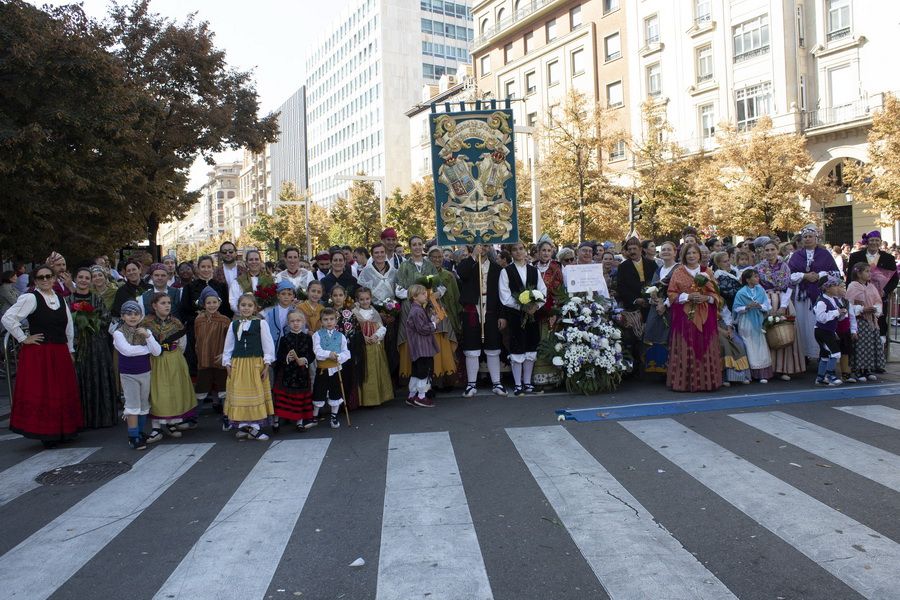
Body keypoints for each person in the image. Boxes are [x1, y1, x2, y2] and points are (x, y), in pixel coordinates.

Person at [2, 265, 82, 447]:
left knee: (61, 390)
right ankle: (48, 433)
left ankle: (64, 430)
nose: (45, 280)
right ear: (35, 280)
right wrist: (23, 338)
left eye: (48, 276)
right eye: (40, 277)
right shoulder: (30, 298)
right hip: (40, 354)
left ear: (54, 278)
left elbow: (68, 328)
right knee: (45, 391)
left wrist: (70, 350)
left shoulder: (60, 299)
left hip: (59, 351)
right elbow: (8, 318)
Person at [666, 243, 723, 392]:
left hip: (705, 315)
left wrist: (706, 298)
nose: (691, 256)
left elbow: (716, 295)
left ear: (699, 255)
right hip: (685, 317)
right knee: (687, 346)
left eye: (694, 253)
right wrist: (688, 296)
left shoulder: (707, 272)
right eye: (688, 253)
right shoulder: (678, 272)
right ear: (684, 256)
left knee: (705, 345)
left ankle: (707, 382)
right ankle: (684, 382)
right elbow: (671, 294)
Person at [68, 267, 119, 428]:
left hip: (97, 344)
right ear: (76, 279)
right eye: (81, 277)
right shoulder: (67, 300)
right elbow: (65, 323)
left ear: (90, 281)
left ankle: (102, 418)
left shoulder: (96, 298)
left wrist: (91, 321)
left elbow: (106, 319)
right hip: (78, 344)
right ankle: (81, 419)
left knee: (99, 376)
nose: (84, 280)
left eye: (87, 278)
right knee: (80, 379)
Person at [143, 292, 197, 440]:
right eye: (163, 303)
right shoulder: (146, 323)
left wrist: (174, 355)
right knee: (158, 392)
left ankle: (172, 423)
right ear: (154, 306)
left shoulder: (175, 323)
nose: (167, 305)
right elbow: (143, 343)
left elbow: (182, 343)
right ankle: (156, 428)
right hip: (156, 360)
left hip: (173, 358)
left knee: (174, 390)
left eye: (168, 303)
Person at [222, 293, 275, 440]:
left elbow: (267, 345)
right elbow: (228, 346)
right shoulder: (234, 325)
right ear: (238, 307)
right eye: (243, 305)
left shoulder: (261, 323)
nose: (246, 308)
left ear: (255, 308)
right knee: (241, 395)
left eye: (249, 305)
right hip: (238, 364)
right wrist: (227, 363)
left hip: (254, 363)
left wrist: (266, 364)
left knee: (254, 394)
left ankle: (255, 427)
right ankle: (244, 425)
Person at [456, 243, 507, 397]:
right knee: (471, 348)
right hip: (472, 309)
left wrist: (502, 315)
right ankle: (471, 384)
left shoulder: (497, 269)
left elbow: (503, 294)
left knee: (493, 346)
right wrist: (473, 257)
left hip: (491, 309)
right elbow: (462, 274)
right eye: (479, 246)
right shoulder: (467, 264)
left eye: (485, 246)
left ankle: (496, 382)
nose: (482, 249)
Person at [499, 241, 548, 396]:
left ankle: (528, 382)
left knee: (530, 347)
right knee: (517, 347)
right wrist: (521, 306)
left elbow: (542, 291)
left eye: (521, 249)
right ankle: (518, 384)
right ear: (511, 253)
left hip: (532, 315)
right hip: (515, 315)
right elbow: (505, 295)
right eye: (515, 250)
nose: (519, 252)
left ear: (526, 251)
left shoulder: (534, 271)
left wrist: (536, 306)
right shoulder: (506, 271)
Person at [112, 300, 161, 449]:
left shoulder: (145, 331)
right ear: (122, 316)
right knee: (133, 405)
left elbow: (157, 351)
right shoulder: (118, 333)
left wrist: (148, 337)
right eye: (128, 314)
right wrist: (146, 349)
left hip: (145, 372)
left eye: (136, 314)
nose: (132, 317)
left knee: (144, 405)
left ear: (140, 316)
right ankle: (133, 436)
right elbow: (128, 351)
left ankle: (139, 432)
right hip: (129, 374)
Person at [788, 225, 842, 361]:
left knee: (818, 322)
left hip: (820, 296)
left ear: (816, 238)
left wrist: (820, 275)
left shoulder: (825, 254)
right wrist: (804, 276)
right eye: (805, 237)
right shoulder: (796, 256)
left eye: (810, 236)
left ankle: (821, 353)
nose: (807, 239)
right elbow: (788, 275)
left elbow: (835, 274)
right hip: (803, 296)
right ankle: (804, 354)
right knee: (802, 323)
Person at [755, 241, 804, 380]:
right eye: (767, 250)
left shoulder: (785, 266)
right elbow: (759, 289)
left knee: (786, 333)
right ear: (763, 252)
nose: (769, 252)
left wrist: (783, 306)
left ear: (777, 250)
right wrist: (768, 307)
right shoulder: (759, 267)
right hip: (767, 301)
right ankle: (769, 369)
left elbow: (789, 286)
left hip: (783, 301)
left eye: (772, 249)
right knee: (768, 335)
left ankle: (785, 368)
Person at [845, 230, 898, 344]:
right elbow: (850, 276)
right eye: (871, 240)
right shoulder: (856, 256)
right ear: (867, 242)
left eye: (876, 240)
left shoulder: (888, 258)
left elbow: (894, 279)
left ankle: (880, 344)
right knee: (860, 317)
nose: (874, 243)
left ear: (880, 242)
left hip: (879, 296)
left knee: (881, 318)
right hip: (860, 295)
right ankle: (860, 343)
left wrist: (885, 291)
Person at [395, 235, 437, 379]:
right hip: (411, 307)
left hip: (429, 305)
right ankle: (414, 381)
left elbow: (438, 285)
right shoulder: (404, 266)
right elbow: (398, 289)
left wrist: (434, 295)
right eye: (414, 244)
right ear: (410, 247)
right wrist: (415, 295)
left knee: (427, 342)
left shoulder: (429, 265)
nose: (417, 247)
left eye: (420, 244)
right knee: (413, 341)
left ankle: (428, 381)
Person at [180, 255, 230, 373]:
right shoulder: (189, 287)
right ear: (197, 268)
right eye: (203, 267)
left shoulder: (221, 286)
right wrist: (199, 318)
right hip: (197, 329)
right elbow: (184, 311)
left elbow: (227, 310)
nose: (206, 269)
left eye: (208, 266)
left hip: (218, 330)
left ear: (213, 268)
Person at [358, 242, 399, 375]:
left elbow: (397, 292)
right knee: (377, 345)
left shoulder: (394, 271)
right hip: (373, 313)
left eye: (382, 252)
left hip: (391, 313)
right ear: (372, 255)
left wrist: (393, 311)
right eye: (376, 253)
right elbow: (362, 293)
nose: (380, 255)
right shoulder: (366, 272)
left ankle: (392, 377)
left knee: (391, 346)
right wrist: (377, 313)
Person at [272, 310, 316, 431]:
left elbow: (311, 354)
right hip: (287, 373)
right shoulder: (284, 339)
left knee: (300, 399)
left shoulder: (308, 338)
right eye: (292, 321)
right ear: (288, 323)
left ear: (303, 322)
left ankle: (299, 422)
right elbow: (279, 355)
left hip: (302, 373)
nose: (295, 323)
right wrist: (287, 358)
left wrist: (305, 359)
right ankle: (276, 422)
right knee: (282, 398)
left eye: (298, 321)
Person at [353, 287, 393, 407]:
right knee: (364, 372)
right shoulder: (354, 313)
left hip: (375, 347)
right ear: (357, 300)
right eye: (362, 299)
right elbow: (353, 330)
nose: (365, 301)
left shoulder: (374, 312)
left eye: (367, 299)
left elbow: (381, 327)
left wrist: (376, 336)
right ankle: (364, 400)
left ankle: (377, 398)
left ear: (371, 299)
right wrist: (363, 338)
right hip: (362, 347)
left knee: (375, 371)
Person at [427, 245, 460, 390]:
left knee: (447, 348)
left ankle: (448, 380)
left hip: (448, 316)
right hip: (431, 318)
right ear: (429, 258)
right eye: (433, 257)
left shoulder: (449, 275)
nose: (437, 259)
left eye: (439, 257)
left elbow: (456, 296)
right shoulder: (425, 275)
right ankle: (435, 381)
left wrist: (457, 316)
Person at [312, 307, 352, 427]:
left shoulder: (341, 336)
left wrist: (339, 357)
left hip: (336, 369)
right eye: (325, 319)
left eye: (331, 319)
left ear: (336, 320)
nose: (329, 322)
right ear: (321, 321)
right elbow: (317, 351)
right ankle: (314, 416)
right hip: (322, 369)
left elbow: (346, 353)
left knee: (336, 392)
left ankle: (334, 416)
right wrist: (328, 354)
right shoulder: (317, 335)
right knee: (319, 391)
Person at [194, 286, 231, 414]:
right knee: (200, 390)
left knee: (224, 390)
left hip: (220, 360)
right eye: (208, 303)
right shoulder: (198, 320)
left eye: (214, 302)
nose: (212, 305)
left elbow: (229, 341)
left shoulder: (225, 320)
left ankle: (227, 416)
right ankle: (194, 417)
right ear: (203, 304)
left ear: (219, 303)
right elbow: (197, 339)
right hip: (203, 361)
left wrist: (225, 355)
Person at [643, 241, 678, 375]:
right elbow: (653, 288)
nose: (666, 252)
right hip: (656, 307)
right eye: (663, 250)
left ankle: (672, 371)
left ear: (675, 252)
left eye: (669, 249)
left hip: (672, 307)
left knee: (669, 337)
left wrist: (665, 304)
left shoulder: (678, 269)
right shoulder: (659, 270)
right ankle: (658, 370)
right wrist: (654, 299)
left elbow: (679, 290)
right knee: (655, 335)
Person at [532, 240, 564, 388]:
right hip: (534, 311)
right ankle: (539, 378)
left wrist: (554, 310)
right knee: (537, 341)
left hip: (551, 312)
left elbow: (559, 290)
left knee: (550, 342)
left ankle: (553, 377)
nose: (545, 253)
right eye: (543, 250)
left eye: (548, 250)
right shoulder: (532, 267)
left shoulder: (556, 267)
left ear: (552, 252)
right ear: (538, 252)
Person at [733, 269, 773, 383]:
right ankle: (747, 374)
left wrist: (760, 306)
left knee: (760, 346)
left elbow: (767, 305)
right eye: (754, 276)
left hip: (758, 321)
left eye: (757, 276)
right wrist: (747, 307)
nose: (757, 278)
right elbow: (736, 308)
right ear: (747, 279)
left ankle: (762, 374)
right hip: (746, 321)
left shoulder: (761, 291)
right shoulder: (741, 293)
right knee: (748, 345)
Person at [846, 263, 885, 381]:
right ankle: (858, 370)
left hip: (871, 321)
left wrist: (875, 309)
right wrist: (862, 309)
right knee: (860, 345)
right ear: (858, 273)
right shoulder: (853, 286)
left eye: (869, 271)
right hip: (860, 321)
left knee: (870, 345)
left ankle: (868, 369)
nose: (870, 273)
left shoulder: (871, 286)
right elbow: (849, 304)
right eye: (867, 271)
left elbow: (878, 301)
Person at [405, 283, 438, 407]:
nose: (426, 295)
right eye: (423, 294)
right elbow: (422, 329)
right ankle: (421, 397)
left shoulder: (417, 309)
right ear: (414, 296)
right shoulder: (417, 310)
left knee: (416, 372)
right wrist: (434, 324)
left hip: (417, 348)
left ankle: (412, 395)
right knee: (424, 371)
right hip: (422, 348)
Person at [814, 278, 848, 386]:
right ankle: (830, 375)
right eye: (834, 286)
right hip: (822, 331)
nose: (837, 288)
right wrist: (836, 312)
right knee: (835, 353)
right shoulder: (821, 301)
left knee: (825, 355)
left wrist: (842, 313)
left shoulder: (834, 300)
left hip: (829, 331)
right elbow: (821, 317)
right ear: (827, 288)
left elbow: (838, 317)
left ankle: (820, 377)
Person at [263, 279, 297, 351]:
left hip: (290, 347)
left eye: (289, 294)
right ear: (278, 295)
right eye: (283, 294)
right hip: (273, 345)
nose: (286, 297)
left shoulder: (296, 312)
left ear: (293, 296)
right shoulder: (270, 312)